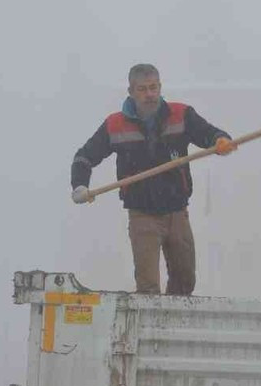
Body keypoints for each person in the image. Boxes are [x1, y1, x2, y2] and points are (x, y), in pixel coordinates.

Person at [70, 63, 235, 295]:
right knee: (148, 286)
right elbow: (84, 158)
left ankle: (174, 325)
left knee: (185, 279)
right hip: (142, 216)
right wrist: (79, 185)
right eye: (142, 89)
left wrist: (221, 141)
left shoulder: (181, 115)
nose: (149, 94)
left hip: (177, 212)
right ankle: (150, 328)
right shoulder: (115, 125)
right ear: (131, 91)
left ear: (160, 87)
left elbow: (210, 134)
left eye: (153, 87)